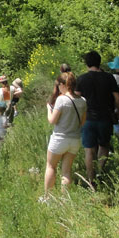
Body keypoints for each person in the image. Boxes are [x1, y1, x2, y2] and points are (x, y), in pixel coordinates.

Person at [75, 51, 119, 185]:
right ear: (99, 62)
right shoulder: (109, 78)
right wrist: (118, 112)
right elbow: (118, 98)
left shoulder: (82, 79)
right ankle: (101, 173)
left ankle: (91, 180)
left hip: (87, 118)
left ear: (87, 63)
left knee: (89, 150)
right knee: (104, 146)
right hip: (105, 117)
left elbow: (77, 98)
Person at [41, 72, 87, 201]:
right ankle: (64, 200)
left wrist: (49, 109)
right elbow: (82, 122)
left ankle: (47, 198)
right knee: (66, 171)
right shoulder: (83, 101)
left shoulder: (61, 99)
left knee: (51, 166)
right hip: (75, 140)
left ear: (63, 85)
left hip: (60, 139)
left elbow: (52, 120)